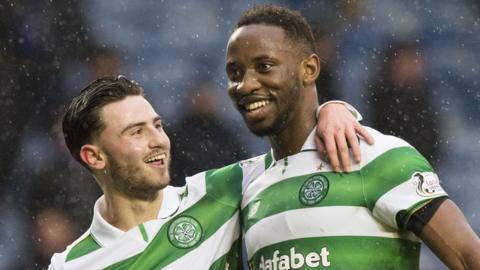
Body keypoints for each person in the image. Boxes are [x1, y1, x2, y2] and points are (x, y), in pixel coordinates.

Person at [226, 5, 480, 269]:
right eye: (234, 73)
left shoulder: (377, 156)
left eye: (264, 66)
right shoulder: (246, 187)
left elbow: (469, 256)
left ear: (310, 68)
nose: (245, 84)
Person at [48, 75, 368, 269]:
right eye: (136, 132)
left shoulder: (213, 194)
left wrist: (332, 110)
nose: (157, 140)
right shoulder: (71, 265)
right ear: (95, 156)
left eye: (157, 126)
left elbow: (296, 150)